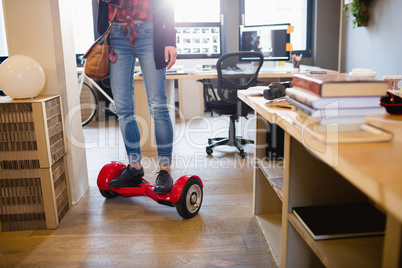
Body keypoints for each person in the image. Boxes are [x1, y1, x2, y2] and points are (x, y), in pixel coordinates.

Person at [97, 0, 177, 194]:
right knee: (123, 108)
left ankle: (165, 170)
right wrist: (102, 38)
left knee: (158, 106)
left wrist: (170, 40)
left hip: (150, 33)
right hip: (116, 35)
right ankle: (135, 167)